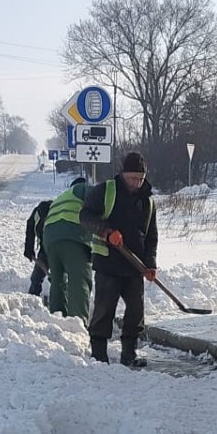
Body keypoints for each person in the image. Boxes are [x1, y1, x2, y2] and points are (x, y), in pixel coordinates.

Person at [82, 151, 157, 368]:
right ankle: (99, 355)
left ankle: (129, 354)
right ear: (123, 174)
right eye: (132, 178)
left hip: (135, 266)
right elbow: (85, 216)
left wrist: (150, 264)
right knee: (104, 309)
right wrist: (106, 232)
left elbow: (151, 236)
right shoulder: (105, 191)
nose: (136, 183)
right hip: (108, 263)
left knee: (136, 311)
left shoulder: (148, 201)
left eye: (140, 179)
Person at [41, 177, 92, 322]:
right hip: (72, 236)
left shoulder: (61, 197)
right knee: (79, 278)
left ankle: (58, 318)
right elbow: (100, 200)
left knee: (58, 281)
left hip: (50, 240)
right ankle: (78, 322)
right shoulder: (83, 188)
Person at [24, 198, 52, 297]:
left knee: (60, 277)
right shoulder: (37, 213)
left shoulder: (58, 213)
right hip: (44, 247)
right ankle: (33, 297)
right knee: (36, 276)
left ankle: (61, 300)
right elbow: (30, 229)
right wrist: (29, 248)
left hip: (60, 247)